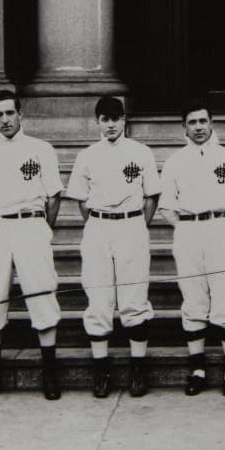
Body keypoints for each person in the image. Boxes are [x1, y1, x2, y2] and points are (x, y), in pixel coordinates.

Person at [0, 89, 64, 400]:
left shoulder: (41, 149)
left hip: (32, 224)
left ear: (21, 115)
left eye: (10, 113)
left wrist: (41, 227)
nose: (5, 120)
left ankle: (50, 373)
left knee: (41, 292)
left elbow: (54, 196)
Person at [65, 95, 161, 399]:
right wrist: (99, 221)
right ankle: (101, 368)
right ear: (97, 122)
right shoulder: (88, 155)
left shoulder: (140, 152)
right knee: (99, 294)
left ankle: (137, 367)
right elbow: (81, 200)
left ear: (124, 120)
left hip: (132, 224)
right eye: (105, 120)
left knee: (134, 295)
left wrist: (136, 224)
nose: (110, 125)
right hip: (98, 225)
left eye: (115, 119)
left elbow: (152, 196)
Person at [159, 100, 225, 396]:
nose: (198, 127)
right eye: (192, 122)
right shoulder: (174, 162)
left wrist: (221, 225)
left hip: (220, 227)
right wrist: (187, 227)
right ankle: (197, 369)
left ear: (212, 123)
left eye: (203, 121)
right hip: (188, 230)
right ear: (184, 126)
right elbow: (166, 207)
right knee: (193, 297)